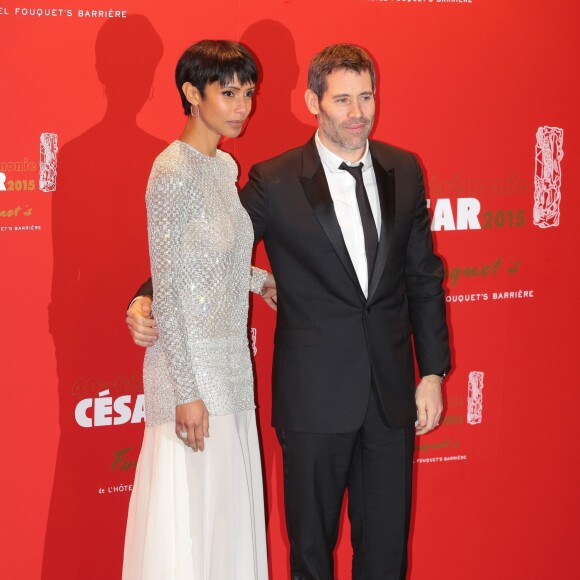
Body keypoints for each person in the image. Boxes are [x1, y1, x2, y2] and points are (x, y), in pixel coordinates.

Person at [128, 44, 450, 580]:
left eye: (366, 97)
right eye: (343, 99)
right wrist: (143, 295)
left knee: (387, 555)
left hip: (392, 396)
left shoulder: (404, 169)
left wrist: (432, 371)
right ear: (313, 102)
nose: (357, 112)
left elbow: (424, 275)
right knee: (309, 556)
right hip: (313, 401)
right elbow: (206, 251)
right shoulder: (273, 181)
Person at [122, 40, 273, 580]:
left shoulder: (222, 167)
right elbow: (168, 282)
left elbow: (211, 263)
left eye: (247, 93)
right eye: (228, 93)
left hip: (232, 365)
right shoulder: (171, 171)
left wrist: (260, 281)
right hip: (187, 372)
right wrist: (185, 390)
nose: (242, 107)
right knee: (188, 521)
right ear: (192, 93)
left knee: (226, 517)